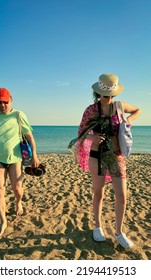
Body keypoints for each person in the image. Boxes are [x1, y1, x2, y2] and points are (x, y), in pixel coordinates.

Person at [77, 73, 141, 249]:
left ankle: (119, 232)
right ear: (98, 93)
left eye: (112, 95)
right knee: (99, 193)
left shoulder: (120, 106)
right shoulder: (91, 110)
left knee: (122, 196)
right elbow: (81, 132)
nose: (109, 98)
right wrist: (93, 136)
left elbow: (138, 110)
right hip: (96, 157)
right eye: (106, 95)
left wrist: (128, 120)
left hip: (117, 156)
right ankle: (98, 227)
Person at [0, 88, 40, 236]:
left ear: (11, 100)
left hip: (15, 159)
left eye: (5, 102)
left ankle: (18, 202)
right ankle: (3, 221)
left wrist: (35, 156)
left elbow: (30, 136)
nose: (2, 105)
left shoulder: (19, 115)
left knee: (17, 188)